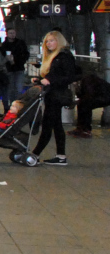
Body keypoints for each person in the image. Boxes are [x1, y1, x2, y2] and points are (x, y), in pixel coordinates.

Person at [30, 30, 79, 165]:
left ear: (59, 41)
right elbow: (55, 75)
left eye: (52, 40)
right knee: (56, 126)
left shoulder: (64, 56)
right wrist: (40, 79)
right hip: (51, 95)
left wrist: (50, 81)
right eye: (47, 41)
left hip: (56, 95)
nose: (49, 43)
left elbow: (69, 76)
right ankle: (61, 156)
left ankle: (35, 154)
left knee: (47, 125)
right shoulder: (54, 56)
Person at [71, 70, 110, 138]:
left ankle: (86, 129)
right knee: (83, 105)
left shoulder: (87, 80)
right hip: (102, 96)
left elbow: (89, 94)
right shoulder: (85, 80)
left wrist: (80, 98)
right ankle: (81, 128)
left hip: (105, 97)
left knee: (86, 106)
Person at [4, 28, 30, 101]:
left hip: (19, 68)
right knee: (11, 89)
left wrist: (21, 60)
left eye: (13, 33)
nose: (12, 35)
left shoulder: (21, 43)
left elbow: (26, 54)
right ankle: (12, 105)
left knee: (19, 89)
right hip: (9, 69)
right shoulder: (4, 45)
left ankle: (17, 105)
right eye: (10, 33)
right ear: (7, 34)